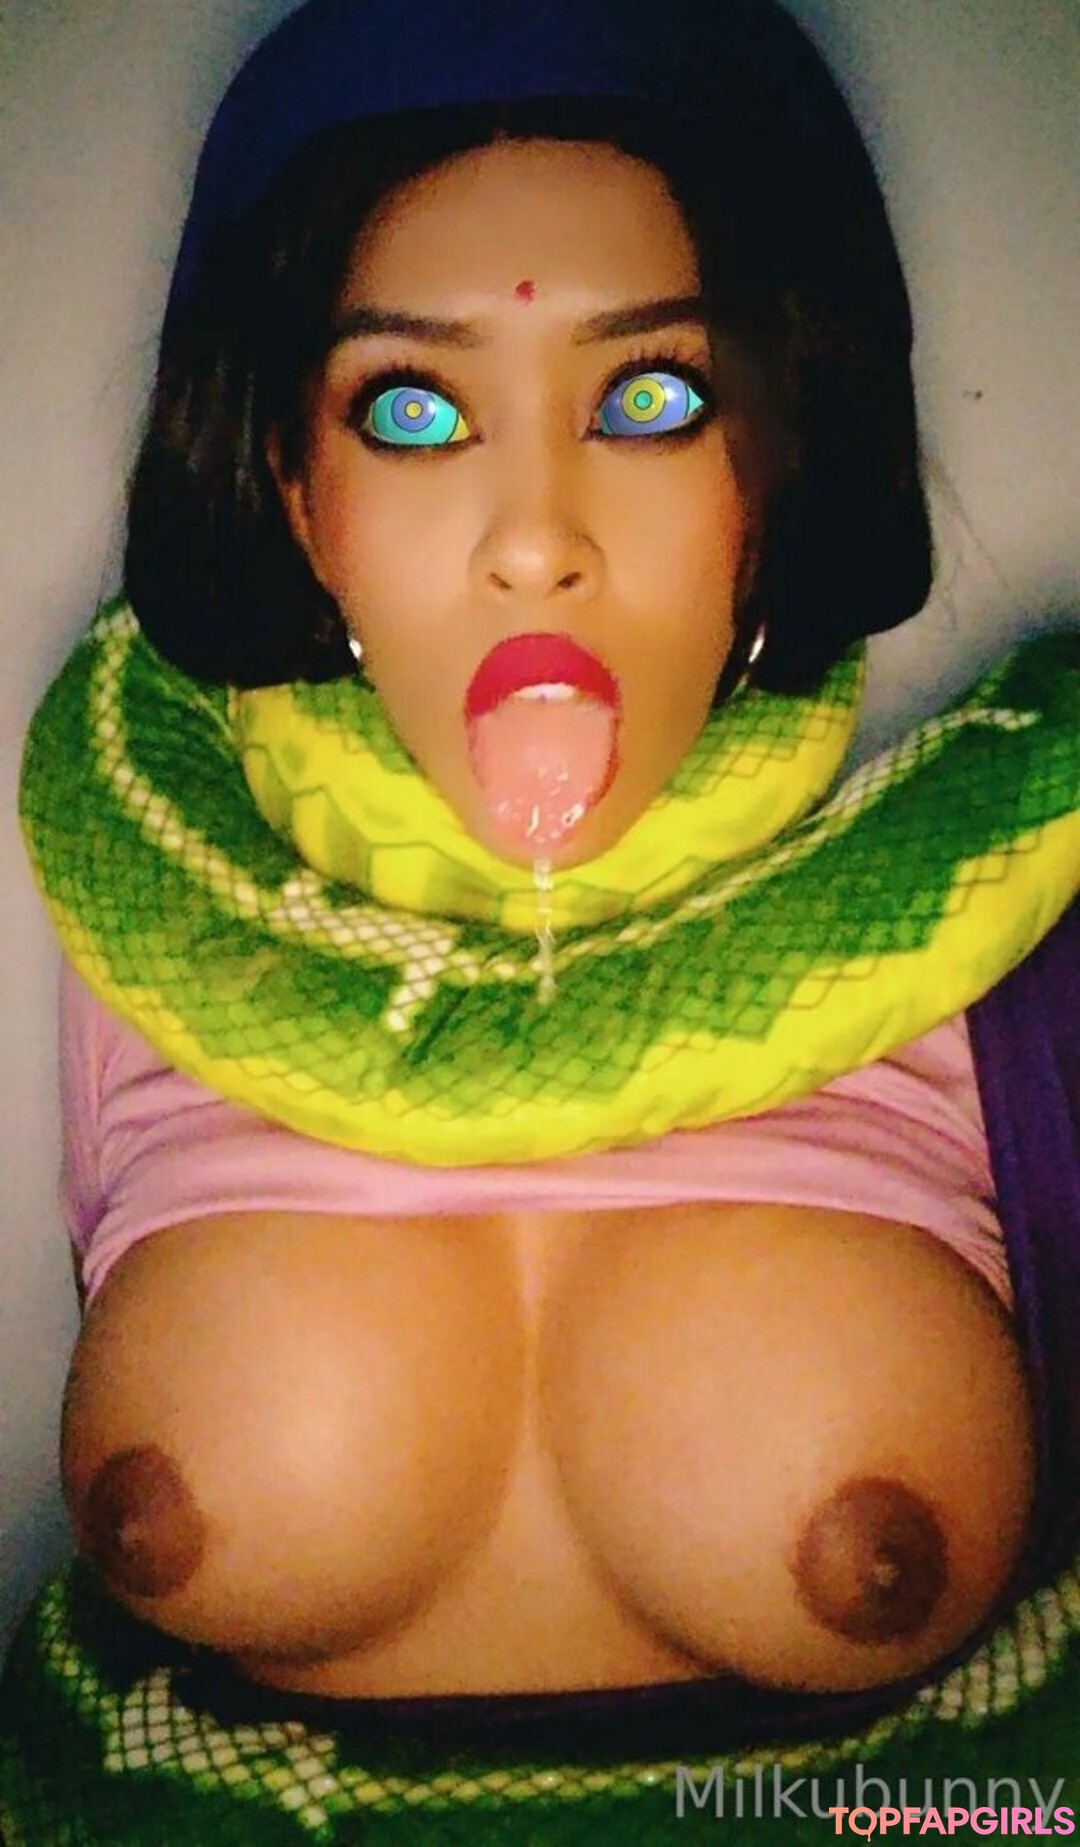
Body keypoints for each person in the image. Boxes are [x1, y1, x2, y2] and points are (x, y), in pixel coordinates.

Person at [4, 0, 1079, 1835]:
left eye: (650, 398)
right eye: (411, 412)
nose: (533, 538)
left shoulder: (1007, 946)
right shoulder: (151, 937)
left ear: (778, 471)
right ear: (299, 501)